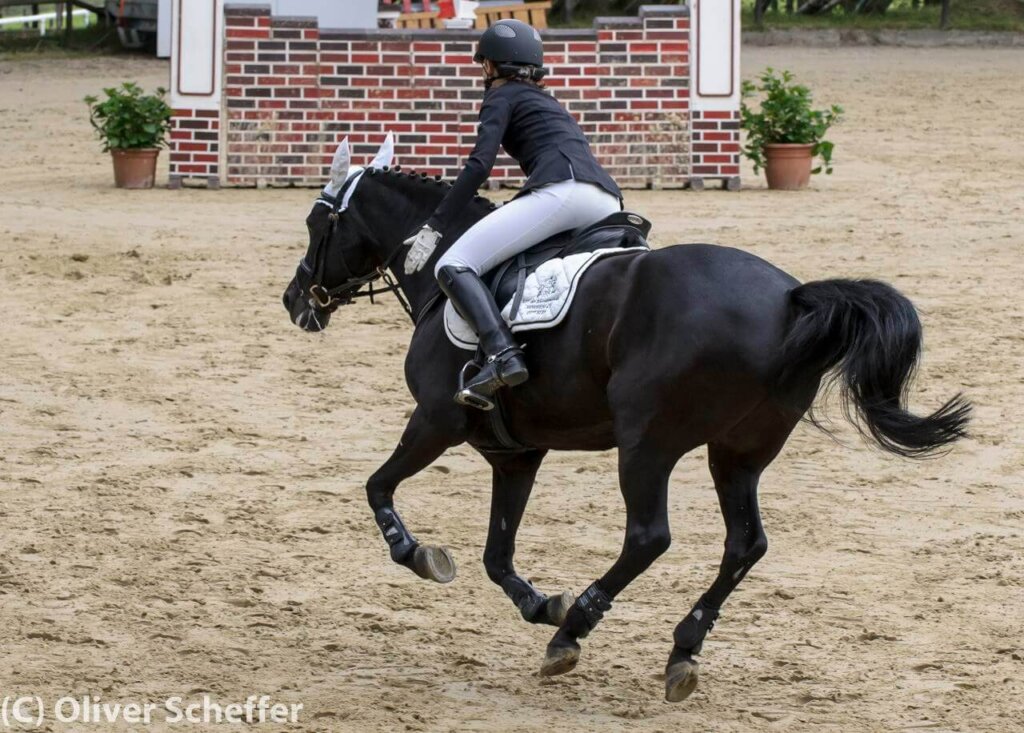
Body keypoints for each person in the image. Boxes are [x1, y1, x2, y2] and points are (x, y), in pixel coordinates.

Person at [403, 19, 623, 410]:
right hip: (607, 200)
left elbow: (478, 166)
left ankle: (503, 355)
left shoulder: (501, 96)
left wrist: (435, 225)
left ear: (492, 66)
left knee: (453, 264)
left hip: (562, 191)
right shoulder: (545, 100)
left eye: (483, 65)